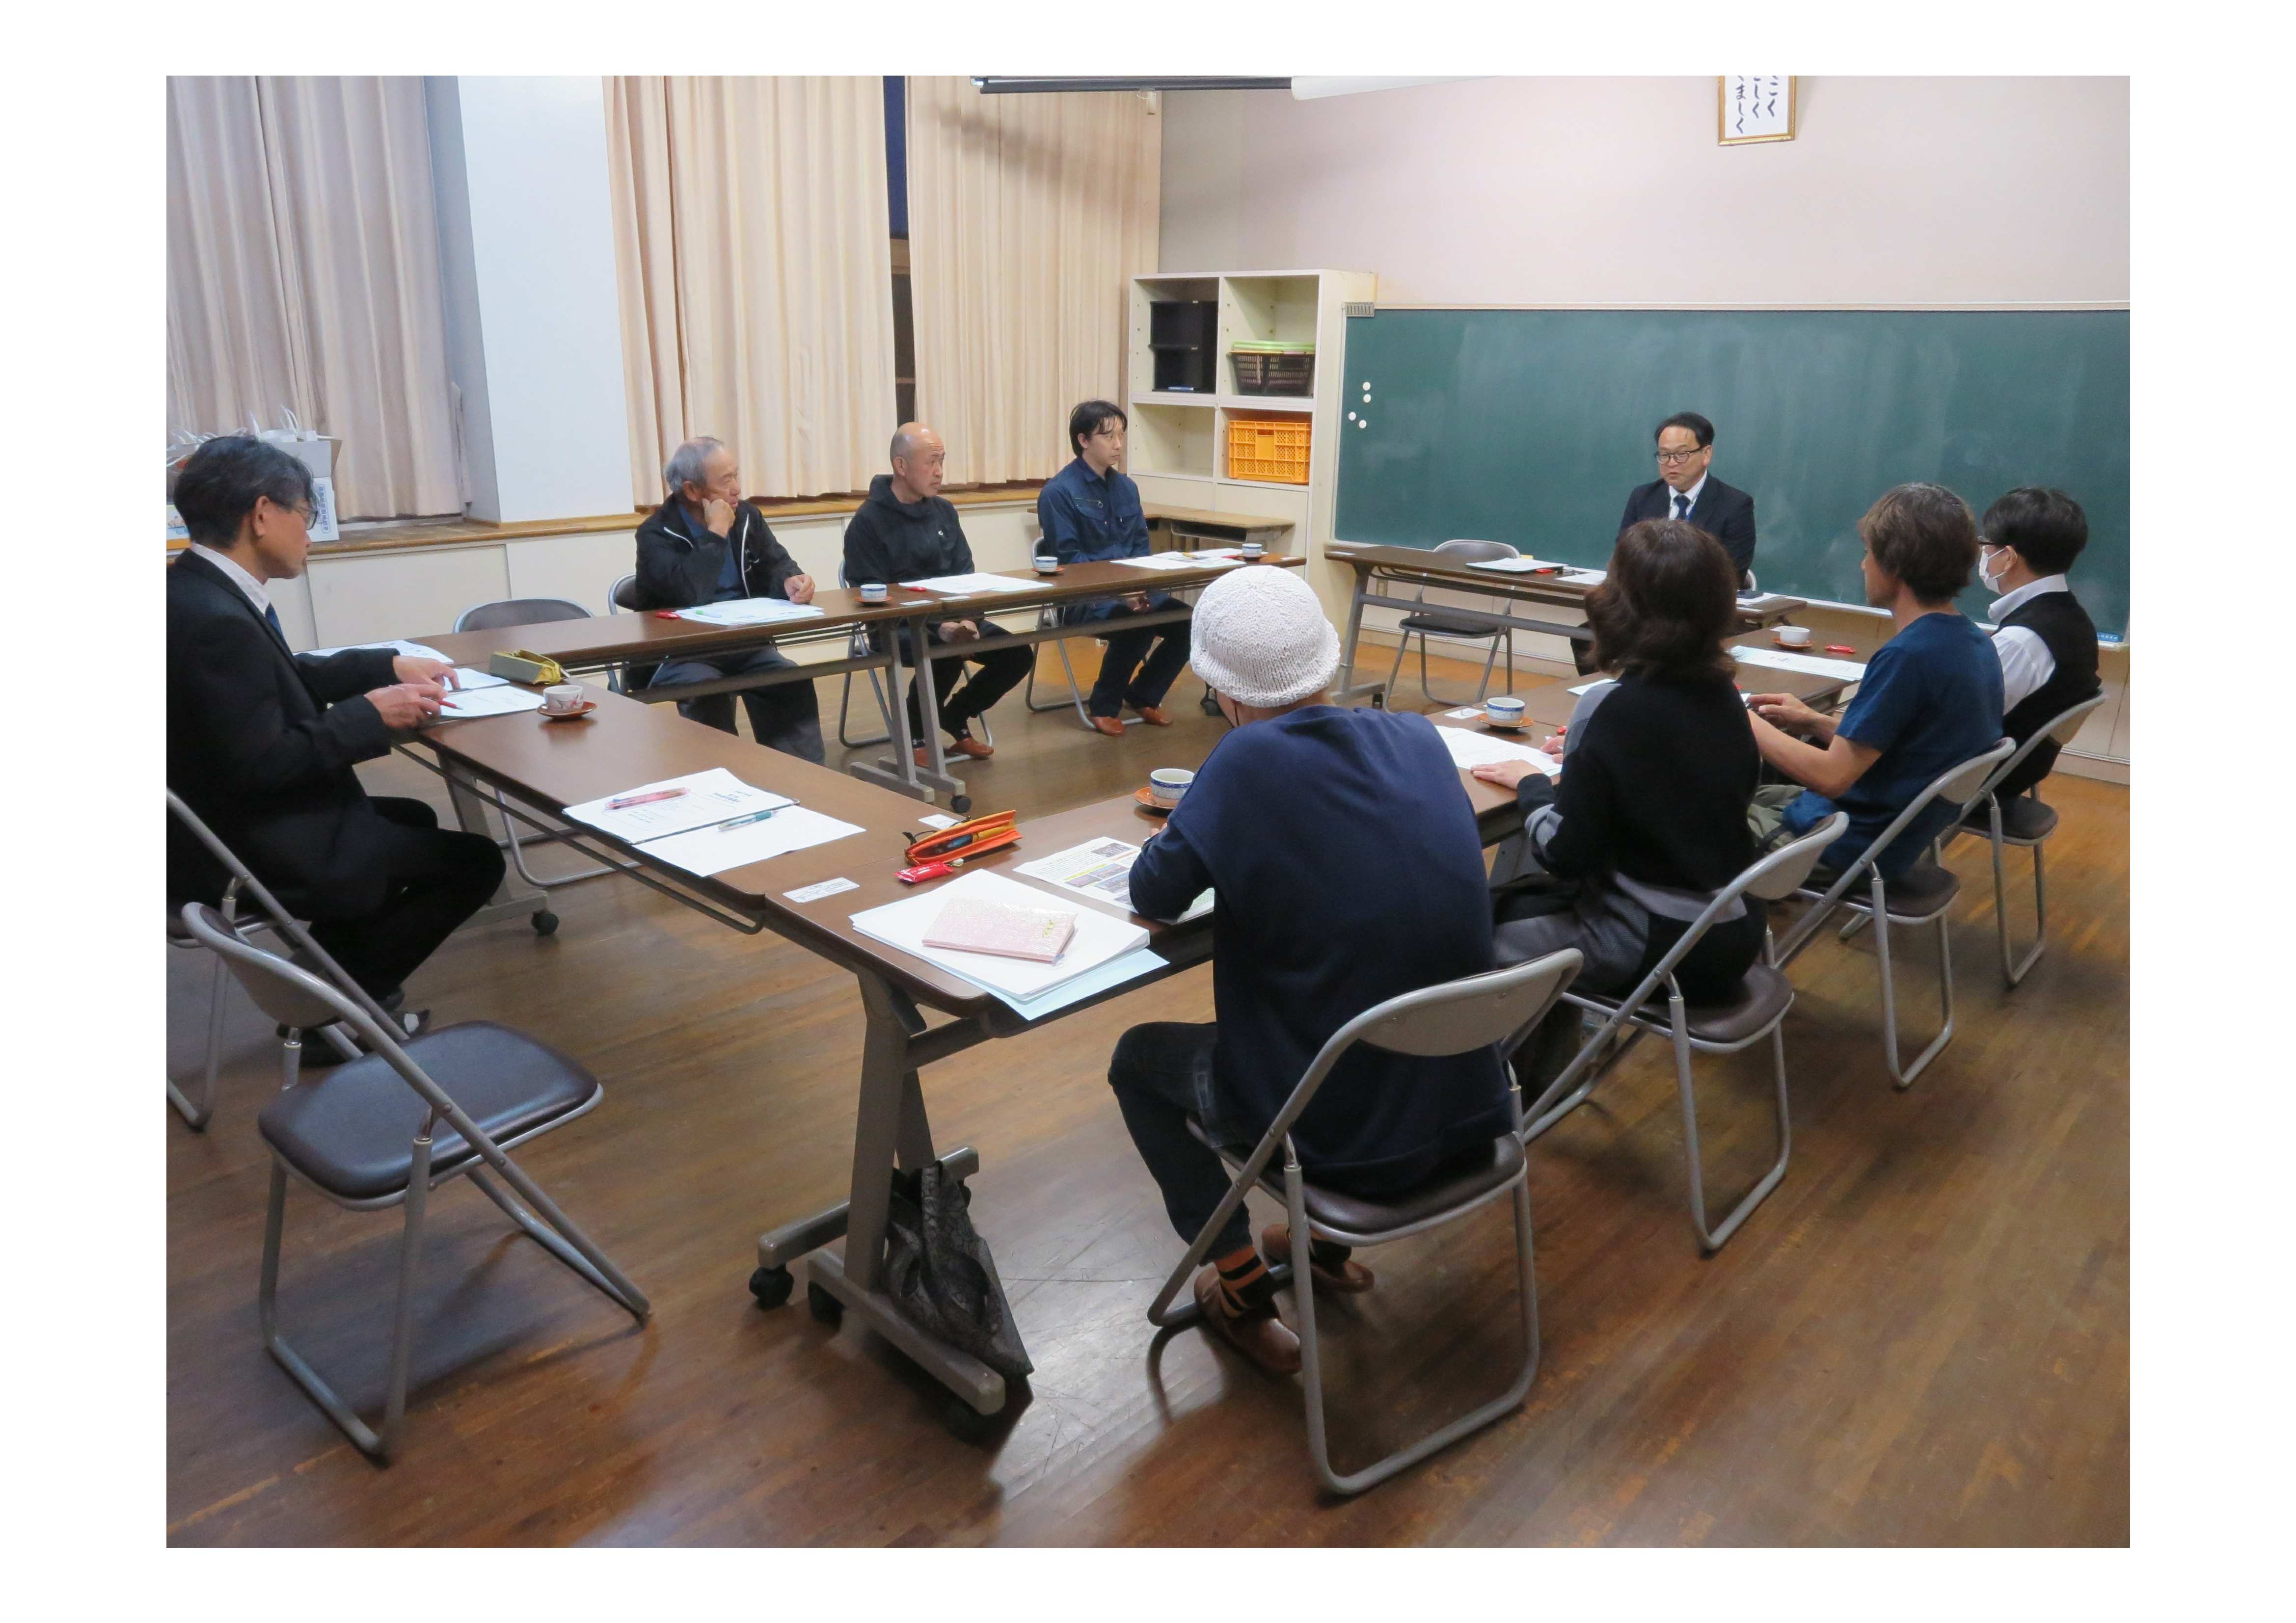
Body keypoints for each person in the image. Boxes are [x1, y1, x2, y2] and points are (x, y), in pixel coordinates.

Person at [1115, 566, 1514, 1375]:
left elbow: (1153, 892)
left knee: (1137, 1059)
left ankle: (1239, 1287)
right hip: (1469, 1109)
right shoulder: (1417, 736)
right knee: (1368, 1002)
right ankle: (1322, 1248)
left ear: (1222, 688)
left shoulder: (1244, 760)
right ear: (1326, 660)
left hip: (1342, 1143)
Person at [167, 436, 504, 1053]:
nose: (311, 533)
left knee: (412, 815)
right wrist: (369, 715)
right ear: (262, 514)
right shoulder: (217, 620)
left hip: (209, 823)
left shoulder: (192, 589)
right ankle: (327, 1011)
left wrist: (384, 665)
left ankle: (344, 984)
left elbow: (275, 679)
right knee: (477, 862)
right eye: (307, 512)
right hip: (238, 845)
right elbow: (262, 762)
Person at [1469, 520, 1767, 1088]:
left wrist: (1534, 785)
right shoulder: (1729, 701)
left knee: (1467, 929)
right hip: (1732, 933)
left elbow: (1564, 853)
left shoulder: (1611, 708)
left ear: (1624, 609)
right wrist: (1588, 766)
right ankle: (1546, 1078)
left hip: (1661, 947)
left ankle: (1494, 1097)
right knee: (1531, 906)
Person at [1743, 483, 2005, 882]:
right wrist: (1814, 720)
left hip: (1843, 844)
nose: (1863, 565)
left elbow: (1832, 777)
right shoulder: (1972, 642)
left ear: (1894, 565)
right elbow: (1903, 748)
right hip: (1888, 836)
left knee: (1683, 811)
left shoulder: (1908, 657)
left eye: (1868, 553)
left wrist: (1743, 717)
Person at [842, 424, 1032, 763]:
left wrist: (969, 619)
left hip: (952, 618)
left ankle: (955, 715)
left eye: (942, 461)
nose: (939, 471)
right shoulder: (868, 522)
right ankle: (916, 733)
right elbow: (873, 595)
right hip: (895, 626)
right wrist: (938, 627)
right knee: (944, 648)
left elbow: (966, 574)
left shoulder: (943, 511)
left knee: (1016, 654)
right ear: (901, 466)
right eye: (931, 462)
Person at [630, 437, 825, 763]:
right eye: (726, 481)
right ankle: (724, 778)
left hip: (744, 642)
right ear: (692, 490)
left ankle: (801, 778)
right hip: (683, 652)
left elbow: (776, 562)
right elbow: (691, 594)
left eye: (736, 476)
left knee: (790, 681)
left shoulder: (747, 516)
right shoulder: (655, 534)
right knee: (706, 689)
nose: (737, 489)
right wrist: (716, 533)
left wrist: (791, 580)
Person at [1035, 400, 1191, 734]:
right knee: (1136, 624)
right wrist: (1121, 592)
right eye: (1108, 437)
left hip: (1133, 590)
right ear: (1083, 440)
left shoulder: (1127, 488)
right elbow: (1069, 560)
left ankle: (1142, 694)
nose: (1118, 445)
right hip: (1083, 597)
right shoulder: (1058, 492)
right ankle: (1104, 705)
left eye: (1121, 435)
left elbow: (1140, 548)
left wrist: (1140, 587)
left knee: (1189, 621)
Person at [1977, 486, 2103, 799]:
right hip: (2012, 777)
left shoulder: (2021, 641)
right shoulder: (2074, 618)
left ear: (2009, 558)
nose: (1983, 555)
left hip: (1970, 788)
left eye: (1987, 546)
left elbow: (1956, 724)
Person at [1618, 412, 1758, 585]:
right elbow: (1624, 558)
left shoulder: (1735, 505)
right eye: (1664, 455)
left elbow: (1730, 574)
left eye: (1681, 454)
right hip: (1646, 598)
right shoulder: (1643, 497)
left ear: (1706, 454)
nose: (1671, 463)